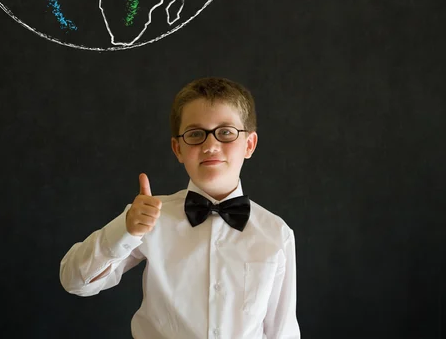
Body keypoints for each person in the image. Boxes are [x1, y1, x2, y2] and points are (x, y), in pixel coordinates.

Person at [59, 77, 301, 339]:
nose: (210, 146)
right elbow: (74, 282)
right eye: (196, 134)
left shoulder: (277, 233)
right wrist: (125, 229)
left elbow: (282, 331)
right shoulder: (149, 216)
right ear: (178, 149)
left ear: (249, 144)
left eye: (226, 132)